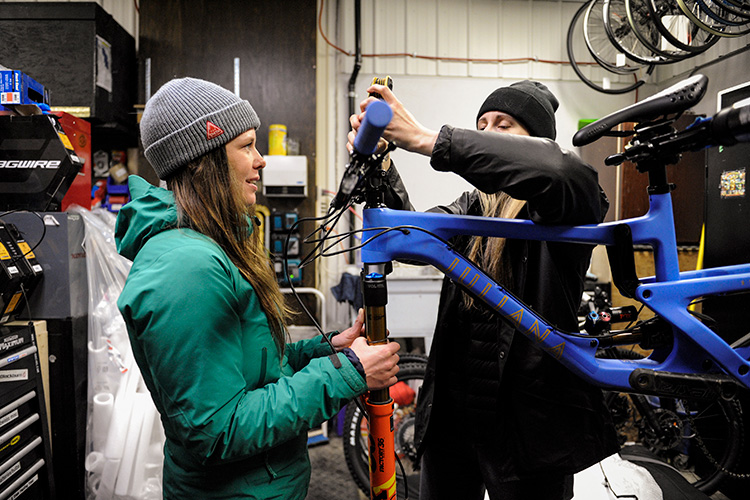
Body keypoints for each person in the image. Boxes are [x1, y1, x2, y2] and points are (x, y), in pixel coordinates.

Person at [115, 77, 401, 499]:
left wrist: (328, 350)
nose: (261, 159)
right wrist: (349, 373)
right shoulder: (185, 266)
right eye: (246, 145)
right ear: (202, 159)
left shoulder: (212, 246)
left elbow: (253, 367)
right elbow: (218, 431)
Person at [348, 81, 619, 500]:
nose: (489, 133)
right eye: (482, 125)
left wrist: (427, 139)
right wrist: (384, 166)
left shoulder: (568, 207)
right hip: (455, 419)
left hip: (527, 426)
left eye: (504, 125)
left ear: (536, 143)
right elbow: (409, 236)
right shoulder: (472, 208)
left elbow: (561, 170)